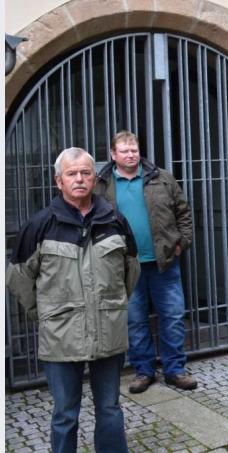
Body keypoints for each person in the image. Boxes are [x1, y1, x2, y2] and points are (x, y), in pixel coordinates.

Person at [7, 147, 140, 453]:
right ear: (59, 181)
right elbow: (17, 276)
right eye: (72, 174)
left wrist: (111, 304)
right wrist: (45, 313)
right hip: (60, 337)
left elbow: (130, 269)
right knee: (65, 414)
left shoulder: (114, 220)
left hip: (108, 332)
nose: (79, 179)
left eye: (85, 173)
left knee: (110, 408)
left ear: (95, 178)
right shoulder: (40, 225)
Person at [95, 130, 196, 393]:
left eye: (134, 150)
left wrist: (181, 243)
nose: (131, 155)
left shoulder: (162, 178)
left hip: (164, 262)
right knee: (135, 320)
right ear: (113, 155)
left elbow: (183, 212)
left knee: (172, 316)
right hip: (126, 267)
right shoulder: (102, 184)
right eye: (125, 151)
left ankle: (175, 370)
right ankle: (144, 370)